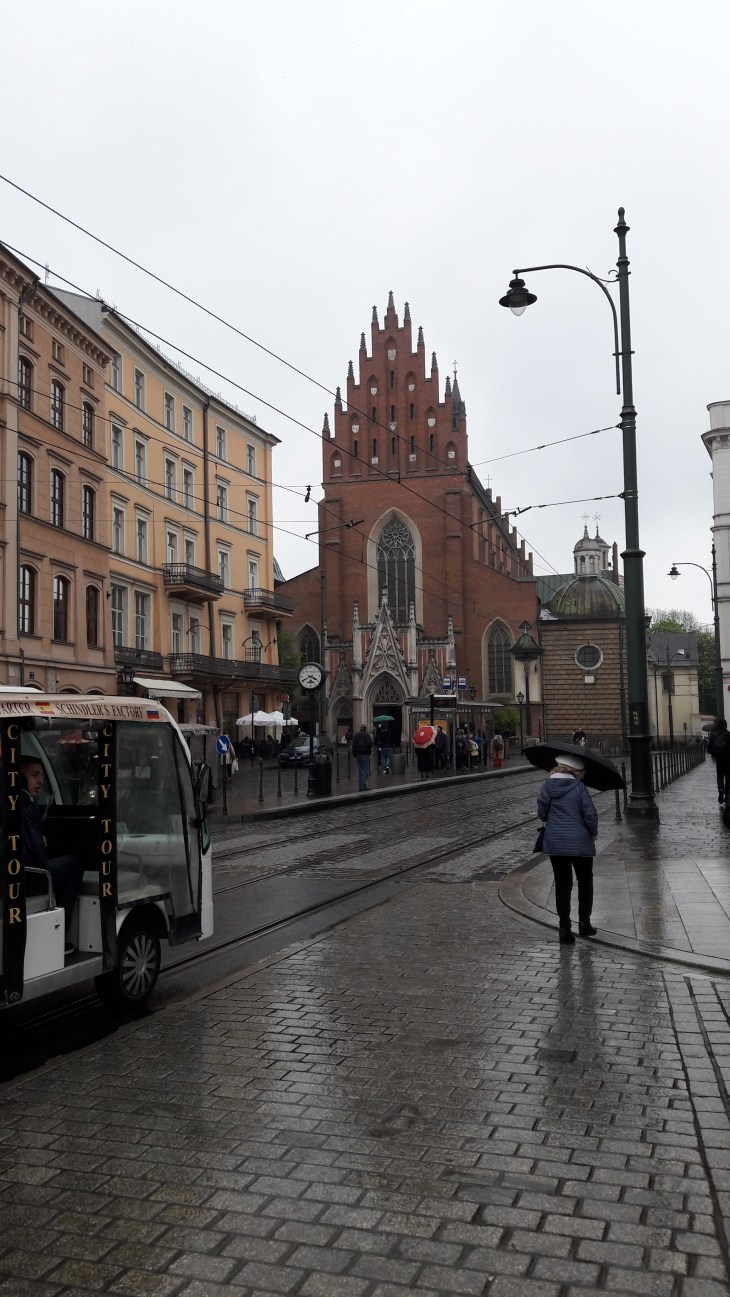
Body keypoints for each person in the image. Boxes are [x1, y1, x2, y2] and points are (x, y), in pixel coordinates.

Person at [21, 757, 85, 955]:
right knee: (75, 864)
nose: (40, 781)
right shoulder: (26, 807)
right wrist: (43, 842)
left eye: (41, 775)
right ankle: (61, 935)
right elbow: (39, 857)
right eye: (34, 776)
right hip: (31, 880)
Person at [536, 753, 599, 944]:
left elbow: (541, 814)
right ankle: (584, 923)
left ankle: (564, 928)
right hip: (580, 842)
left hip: (555, 842)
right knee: (585, 881)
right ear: (575, 771)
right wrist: (593, 833)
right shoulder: (579, 787)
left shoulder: (547, 786)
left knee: (562, 884)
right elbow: (590, 815)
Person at [707, 718, 730, 803]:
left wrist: (715, 754)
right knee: (728, 778)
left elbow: (709, 749)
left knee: (720, 777)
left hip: (719, 759)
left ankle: (720, 790)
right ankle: (727, 796)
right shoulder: (728, 734)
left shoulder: (713, 735)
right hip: (728, 760)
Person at [352, 725, 373, 791]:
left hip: (358, 754)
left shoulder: (356, 735)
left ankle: (360, 786)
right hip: (365, 754)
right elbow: (370, 743)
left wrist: (355, 754)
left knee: (360, 770)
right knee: (364, 770)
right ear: (365, 729)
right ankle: (363, 785)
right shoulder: (367, 735)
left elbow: (354, 745)